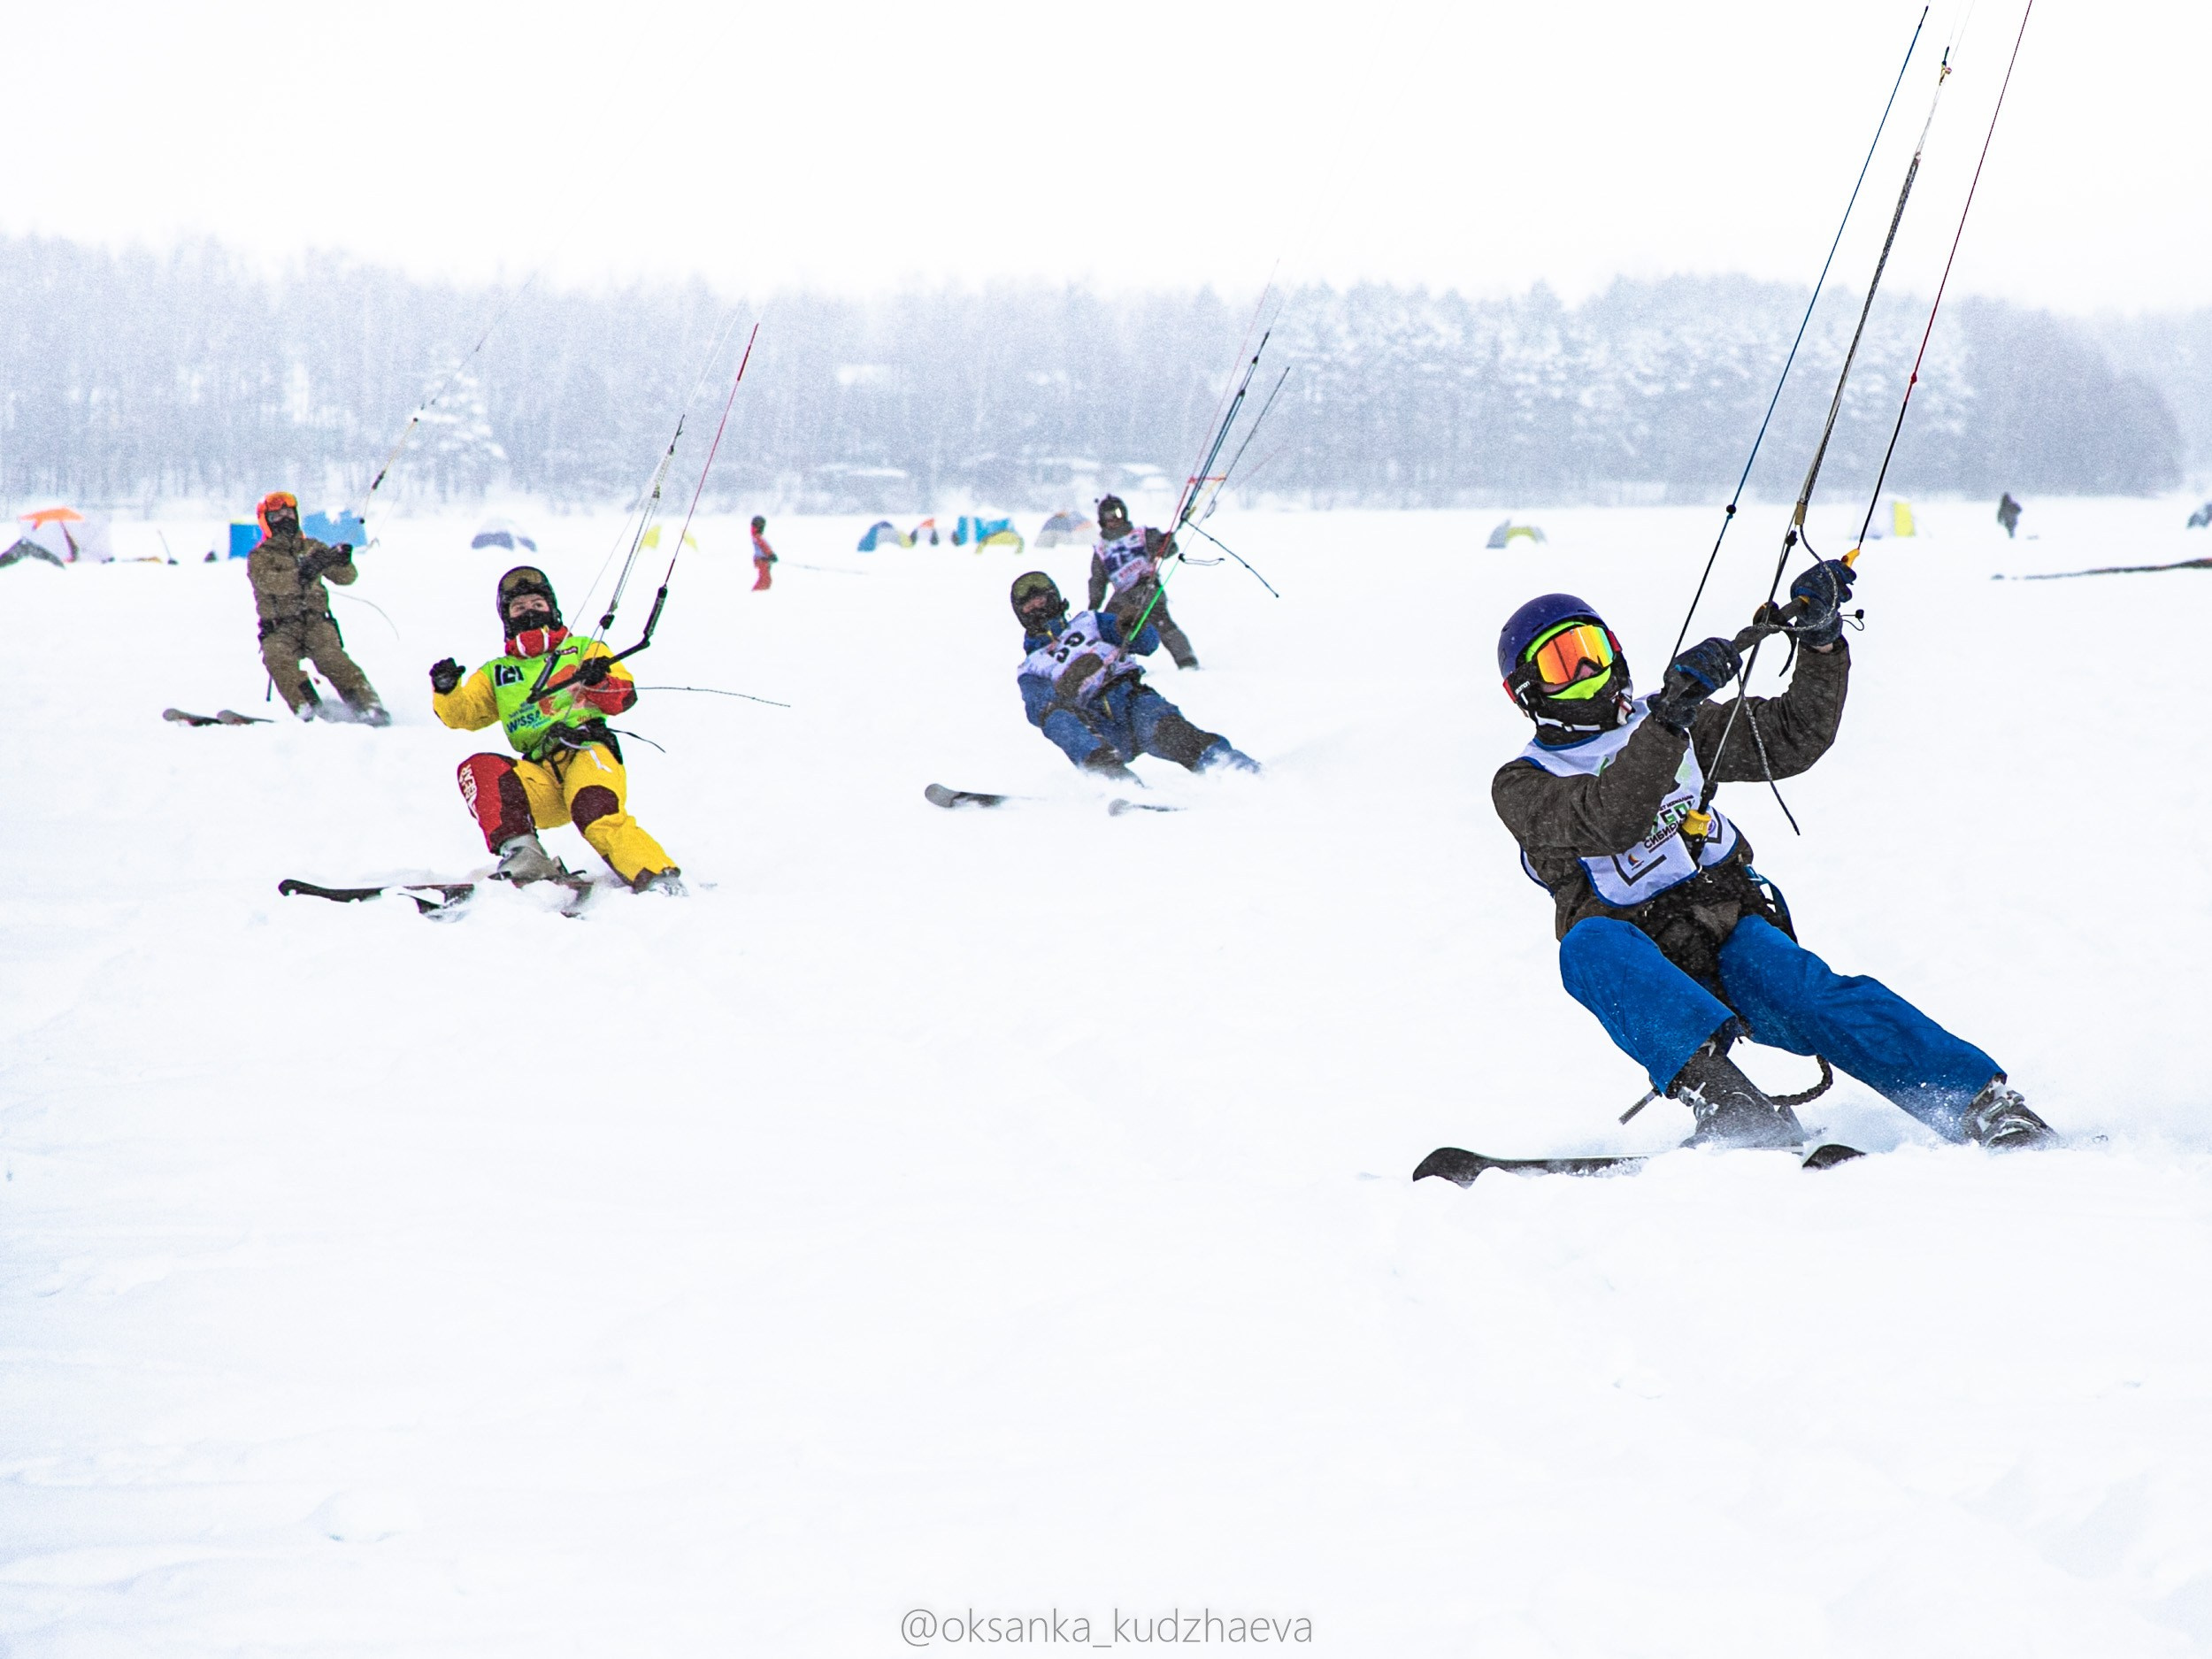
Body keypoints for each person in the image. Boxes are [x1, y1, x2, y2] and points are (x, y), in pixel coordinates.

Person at [1491, 570, 2055, 1151]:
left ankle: (1981, 1105)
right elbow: (1611, 817)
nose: (1588, 669)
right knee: (1586, 949)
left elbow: (1794, 733)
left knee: (1813, 993)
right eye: (1563, 661)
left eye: (1593, 649)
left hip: (1725, 930)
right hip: (1639, 966)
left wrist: (1820, 644)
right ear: (1528, 691)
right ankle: (1733, 1108)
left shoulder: (1676, 722)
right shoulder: (1522, 784)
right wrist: (1667, 723)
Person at [430, 566, 683, 895]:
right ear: (507, 618)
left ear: (552, 608)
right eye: (519, 608)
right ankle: (526, 859)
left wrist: (597, 681)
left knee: (596, 813)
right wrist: (447, 689)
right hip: (541, 776)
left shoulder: (583, 649)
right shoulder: (498, 672)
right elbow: (463, 716)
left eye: (538, 604)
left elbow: (623, 697)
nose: (530, 612)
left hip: (588, 753)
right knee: (479, 768)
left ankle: (656, 875)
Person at [1012, 572, 1256, 780]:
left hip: (1132, 700)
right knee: (1055, 719)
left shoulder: (1090, 622)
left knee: (1173, 734)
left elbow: (1147, 644)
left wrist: (1133, 625)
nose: (1038, 608)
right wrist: (1065, 690)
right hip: (1096, 724)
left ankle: (1235, 772)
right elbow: (1038, 708)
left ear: (1053, 597)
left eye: (1041, 599)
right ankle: (1114, 780)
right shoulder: (1031, 667)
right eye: (1029, 606)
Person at [248, 490, 388, 724]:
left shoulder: (312, 547)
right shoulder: (260, 557)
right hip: (279, 629)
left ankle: (369, 707)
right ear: (267, 522)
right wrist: (303, 573)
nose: (285, 519)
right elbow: (271, 582)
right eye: (277, 516)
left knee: (333, 659)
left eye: (289, 513)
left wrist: (342, 561)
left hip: (316, 623)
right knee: (277, 658)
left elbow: (346, 577)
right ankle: (309, 710)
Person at [1087, 494, 1199, 670]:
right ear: (1101, 519)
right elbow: (1097, 580)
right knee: (1111, 626)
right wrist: (1094, 603)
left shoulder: (1141, 535)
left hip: (1146, 585)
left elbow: (1168, 550)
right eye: (1108, 516)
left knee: (1160, 621)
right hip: (1122, 594)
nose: (1113, 519)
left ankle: (1187, 661)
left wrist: (1167, 543)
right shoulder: (1101, 549)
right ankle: (1111, 666)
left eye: (1117, 513)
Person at [750, 515, 778, 591]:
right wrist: (771, 555)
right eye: (762, 525)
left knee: (765, 579)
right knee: (765, 580)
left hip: (764, 560)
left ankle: (760, 593)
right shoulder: (757, 536)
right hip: (762, 560)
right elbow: (764, 547)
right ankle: (756, 594)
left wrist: (771, 555)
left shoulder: (757, 536)